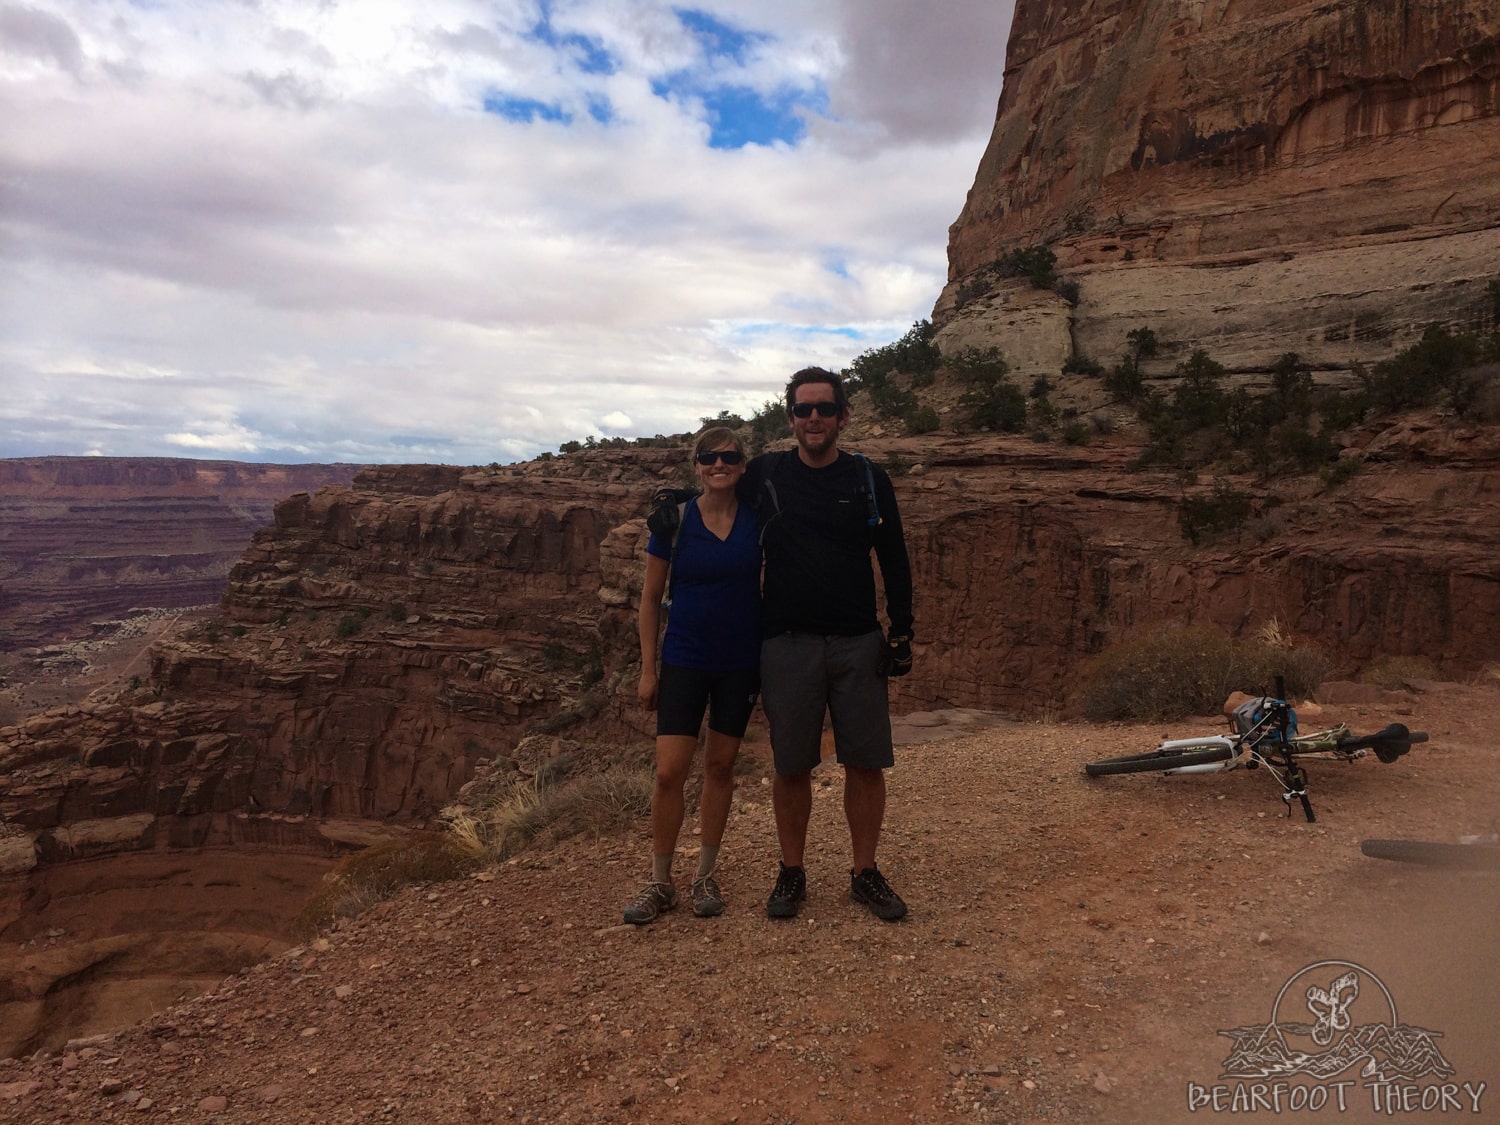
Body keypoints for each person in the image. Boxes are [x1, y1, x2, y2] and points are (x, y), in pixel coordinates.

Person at [739, 367, 915, 922]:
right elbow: (716, 501)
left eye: (824, 408)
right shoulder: (766, 473)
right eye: (803, 409)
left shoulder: (868, 478)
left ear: (843, 416)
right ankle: (792, 872)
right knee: (791, 765)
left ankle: (865, 873)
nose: (813, 417)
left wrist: (902, 630)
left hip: (857, 640)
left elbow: (894, 557)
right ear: (789, 418)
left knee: (865, 763)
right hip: (785, 640)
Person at [623, 426, 762, 924]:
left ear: (742, 466)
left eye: (729, 457)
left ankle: (705, 872)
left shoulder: (758, 521)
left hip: (740, 662)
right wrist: (647, 668)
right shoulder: (674, 522)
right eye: (709, 457)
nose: (719, 464)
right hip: (684, 658)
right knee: (668, 772)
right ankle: (660, 881)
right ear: (696, 465)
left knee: (720, 769)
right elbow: (648, 599)